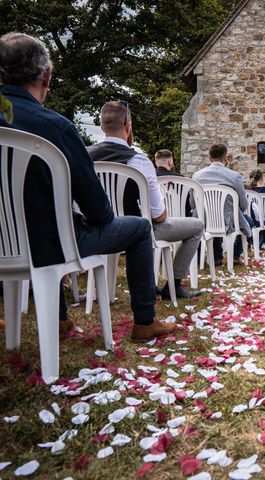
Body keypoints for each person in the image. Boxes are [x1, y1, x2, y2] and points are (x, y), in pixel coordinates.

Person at [0, 32, 174, 342]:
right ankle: (145, 321)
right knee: (136, 229)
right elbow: (97, 209)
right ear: (47, 76)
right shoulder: (56, 128)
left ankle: (59, 319)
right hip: (49, 245)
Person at [88, 101, 203, 299]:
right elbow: (158, 215)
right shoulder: (139, 161)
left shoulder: (84, 156)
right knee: (197, 226)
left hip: (95, 232)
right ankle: (173, 285)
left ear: (102, 127)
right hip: (135, 232)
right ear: (128, 125)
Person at [192, 144, 254, 264]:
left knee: (211, 219)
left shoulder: (197, 176)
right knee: (249, 221)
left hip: (203, 220)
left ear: (209, 158)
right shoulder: (235, 176)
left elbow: (192, 203)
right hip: (228, 220)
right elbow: (243, 205)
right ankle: (235, 256)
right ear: (226, 158)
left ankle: (216, 257)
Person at [155, 149, 194, 218]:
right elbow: (187, 206)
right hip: (179, 220)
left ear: (156, 162)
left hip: (156, 219)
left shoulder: (150, 177)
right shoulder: (181, 179)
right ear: (170, 162)